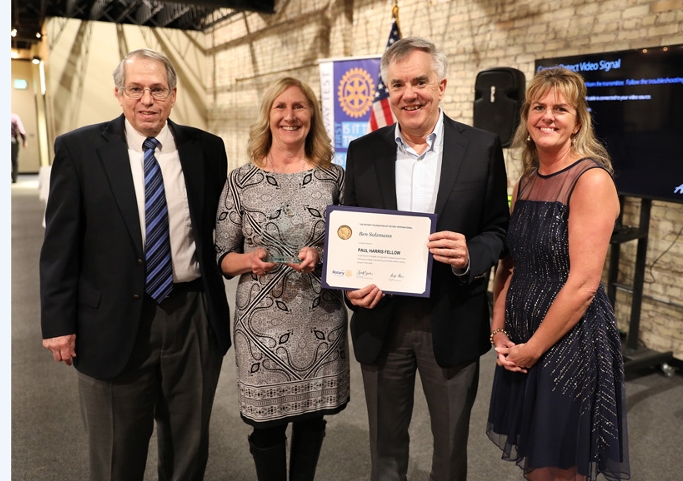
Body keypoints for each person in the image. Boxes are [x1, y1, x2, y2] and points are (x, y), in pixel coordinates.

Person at [38, 48, 231, 481]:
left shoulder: (206, 149)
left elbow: (223, 226)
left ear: (174, 94)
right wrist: (56, 322)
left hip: (192, 314)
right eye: (136, 89)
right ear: (119, 94)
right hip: (111, 321)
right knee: (115, 456)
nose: (147, 99)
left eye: (157, 89)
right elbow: (59, 244)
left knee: (189, 449)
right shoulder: (81, 149)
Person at [342, 37, 510, 481]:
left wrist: (469, 254)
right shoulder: (363, 152)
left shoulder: (481, 148)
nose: (409, 93)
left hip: (452, 318)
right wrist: (350, 286)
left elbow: (498, 228)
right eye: (397, 84)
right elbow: (349, 236)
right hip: (382, 320)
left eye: (420, 81)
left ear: (442, 85)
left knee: (451, 447)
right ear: (388, 91)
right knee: (385, 447)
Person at [485, 66, 631, 481]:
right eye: (539, 107)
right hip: (522, 332)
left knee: (559, 468)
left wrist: (533, 348)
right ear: (527, 119)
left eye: (560, 109)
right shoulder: (529, 179)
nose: (548, 116)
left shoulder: (591, 180)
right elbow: (511, 262)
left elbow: (583, 285)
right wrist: (498, 331)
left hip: (568, 340)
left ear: (577, 122)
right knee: (536, 462)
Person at [214, 77, 348, 481]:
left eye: (299, 107)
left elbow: (352, 244)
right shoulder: (241, 181)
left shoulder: (334, 179)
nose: (290, 116)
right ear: (268, 116)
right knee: (266, 426)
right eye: (280, 107)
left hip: (321, 318)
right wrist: (247, 260)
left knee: (312, 419)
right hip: (261, 328)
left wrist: (322, 254)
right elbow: (222, 256)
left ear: (312, 115)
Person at [11, 112, 28, 183]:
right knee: (14, 160)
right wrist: (24, 140)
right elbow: (21, 130)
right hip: (12, 141)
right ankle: (14, 178)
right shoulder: (14, 117)